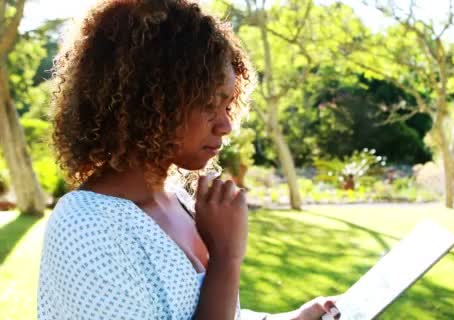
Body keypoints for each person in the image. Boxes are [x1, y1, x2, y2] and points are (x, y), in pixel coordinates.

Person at [37, 0, 341, 319]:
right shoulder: (87, 226)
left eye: (228, 105)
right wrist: (225, 257)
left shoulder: (179, 201)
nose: (226, 125)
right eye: (211, 103)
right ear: (152, 102)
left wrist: (294, 319)